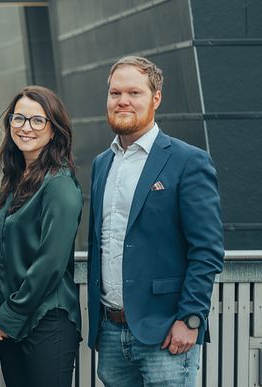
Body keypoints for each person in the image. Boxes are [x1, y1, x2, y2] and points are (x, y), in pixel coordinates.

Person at [87, 56, 224, 386]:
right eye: (115, 93)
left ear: (156, 98)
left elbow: (207, 250)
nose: (123, 101)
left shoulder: (188, 161)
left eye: (134, 93)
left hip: (167, 332)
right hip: (110, 331)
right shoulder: (101, 164)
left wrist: (190, 319)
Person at [0, 86, 82, 387]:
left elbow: (48, 265)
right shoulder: (16, 180)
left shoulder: (60, 185)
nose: (26, 127)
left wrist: (5, 316)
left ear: (54, 131)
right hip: (11, 322)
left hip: (47, 323)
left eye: (38, 120)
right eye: (18, 118)